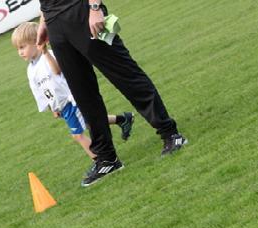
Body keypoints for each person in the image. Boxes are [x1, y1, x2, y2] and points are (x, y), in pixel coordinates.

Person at [36, 0, 187, 186]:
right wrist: (44, 21)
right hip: (55, 24)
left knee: (126, 75)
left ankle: (170, 134)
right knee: (83, 95)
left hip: (83, 12)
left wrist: (95, 8)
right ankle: (107, 160)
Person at [12, 21, 134, 161]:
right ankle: (123, 119)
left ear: (36, 42)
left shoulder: (50, 55)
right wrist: (52, 106)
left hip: (71, 101)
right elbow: (40, 90)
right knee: (90, 122)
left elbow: (57, 71)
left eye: (22, 47)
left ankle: (101, 160)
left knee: (78, 135)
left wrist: (45, 52)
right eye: (17, 49)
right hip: (61, 105)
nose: (20, 52)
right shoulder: (31, 69)